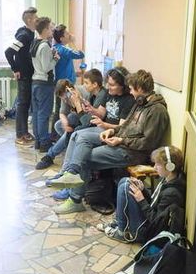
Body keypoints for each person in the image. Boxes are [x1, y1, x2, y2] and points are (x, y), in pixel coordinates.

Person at [50, 69, 170, 215]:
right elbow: (125, 126)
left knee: (84, 157)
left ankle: (74, 198)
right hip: (123, 145)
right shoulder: (141, 104)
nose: (130, 92)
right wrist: (112, 132)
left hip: (133, 153)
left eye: (132, 89)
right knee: (82, 144)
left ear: (139, 88)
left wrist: (121, 139)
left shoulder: (157, 111)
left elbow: (147, 143)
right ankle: (71, 176)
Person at [48, 67, 135, 200]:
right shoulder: (109, 94)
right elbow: (100, 113)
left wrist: (103, 124)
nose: (108, 87)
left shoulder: (128, 100)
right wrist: (90, 108)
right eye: (108, 83)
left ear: (122, 85)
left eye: (112, 85)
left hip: (110, 132)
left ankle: (70, 177)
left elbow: (121, 128)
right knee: (75, 134)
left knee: (79, 135)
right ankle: (67, 173)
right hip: (101, 127)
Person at [97, 145, 186, 243]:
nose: (154, 167)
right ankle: (117, 224)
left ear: (170, 166)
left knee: (125, 186)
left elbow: (156, 222)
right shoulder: (169, 179)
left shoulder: (172, 193)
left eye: (158, 164)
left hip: (147, 232)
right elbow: (154, 204)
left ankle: (121, 233)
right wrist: (143, 190)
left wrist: (141, 200)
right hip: (147, 223)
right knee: (125, 181)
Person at [36, 68, 108, 169]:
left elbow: (88, 121)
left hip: (90, 123)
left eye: (86, 83)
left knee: (72, 126)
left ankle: (52, 155)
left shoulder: (90, 93)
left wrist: (78, 103)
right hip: (84, 121)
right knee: (61, 125)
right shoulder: (91, 95)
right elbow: (63, 113)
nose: (84, 85)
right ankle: (67, 145)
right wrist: (66, 123)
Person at [5, 7, 38, 145]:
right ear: (29, 20)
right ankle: (20, 135)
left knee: (25, 104)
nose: (38, 20)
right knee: (22, 105)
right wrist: (15, 69)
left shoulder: (30, 33)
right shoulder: (23, 36)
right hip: (24, 75)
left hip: (29, 74)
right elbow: (8, 52)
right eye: (36, 18)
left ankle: (25, 132)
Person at [30, 16, 58, 151]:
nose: (52, 30)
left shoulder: (35, 42)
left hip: (35, 82)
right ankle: (44, 143)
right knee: (44, 115)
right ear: (45, 29)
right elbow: (47, 67)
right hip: (44, 83)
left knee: (36, 114)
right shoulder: (45, 45)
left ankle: (38, 141)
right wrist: (55, 59)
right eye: (50, 28)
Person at [51, 24, 85, 135]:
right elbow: (80, 54)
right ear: (61, 38)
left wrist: (76, 74)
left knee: (59, 110)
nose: (69, 35)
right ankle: (58, 135)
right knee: (63, 112)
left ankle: (54, 135)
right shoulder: (64, 49)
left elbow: (63, 66)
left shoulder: (56, 48)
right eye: (66, 33)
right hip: (65, 86)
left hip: (60, 83)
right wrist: (73, 41)